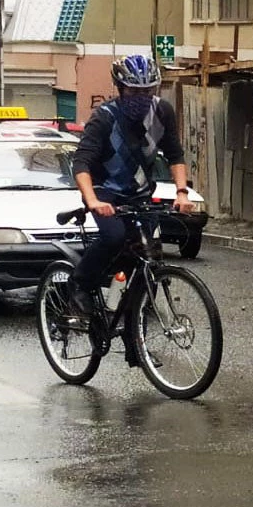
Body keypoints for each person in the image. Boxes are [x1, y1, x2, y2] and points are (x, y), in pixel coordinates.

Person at [69, 54, 193, 359]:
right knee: (112, 238)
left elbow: (175, 155)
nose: (142, 98)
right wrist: (93, 201)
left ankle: (135, 343)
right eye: (135, 92)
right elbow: (82, 162)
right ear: (120, 88)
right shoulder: (105, 117)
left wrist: (181, 192)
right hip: (105, 193)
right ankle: (79, 287)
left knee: (147, 262)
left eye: (148, 91)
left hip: (139, 195)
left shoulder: (162, 112)